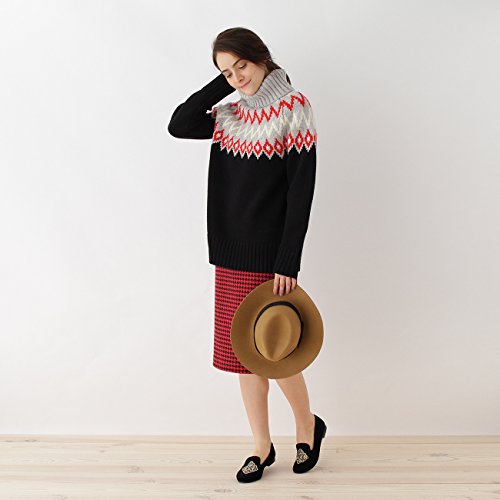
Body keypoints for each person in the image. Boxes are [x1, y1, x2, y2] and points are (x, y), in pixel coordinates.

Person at [166, 27, 325, 481]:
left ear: (262, 58)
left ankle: (307, 427)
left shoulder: (294, 108)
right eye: (227, 72)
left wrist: (288, 259)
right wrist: (225, 83)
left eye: (242, 66)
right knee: (244, 356)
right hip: (230, 253)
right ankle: (261, 444)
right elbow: (179, 124)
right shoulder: (228, 115)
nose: (238, 78)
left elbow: (300, 192)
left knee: (276, 352)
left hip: (271, 257)